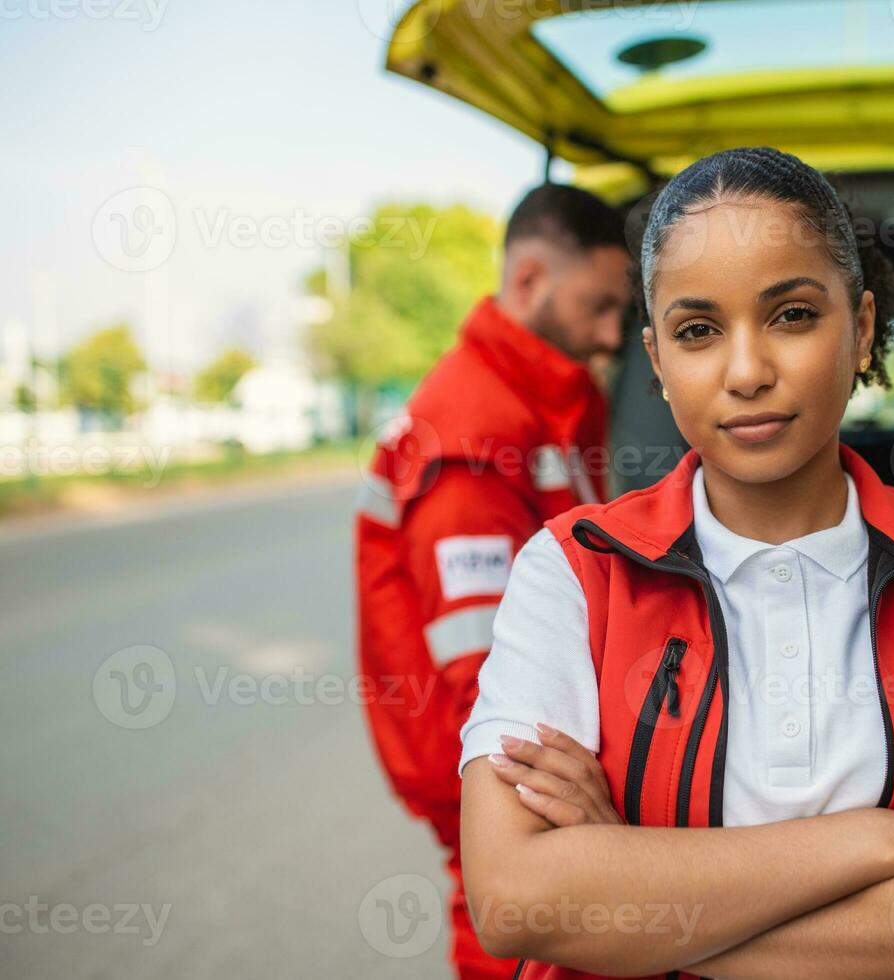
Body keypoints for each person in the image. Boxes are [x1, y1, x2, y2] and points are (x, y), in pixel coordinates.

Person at [456, 146, 894, 980]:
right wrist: (885, 842)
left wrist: (638, 900)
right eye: (697, 331)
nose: (747, 371)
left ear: (860, 329)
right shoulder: (574, 570)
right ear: (656, 360)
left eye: (791, 315)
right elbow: (515, 900)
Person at [354, 183, 632, 980]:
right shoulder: (477, 435)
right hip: (503, 794)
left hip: (506, 782)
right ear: (530, 282)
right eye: (599, 306)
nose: (613, 335)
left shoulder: (535, 403)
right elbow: (489, 694)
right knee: (508, 944)